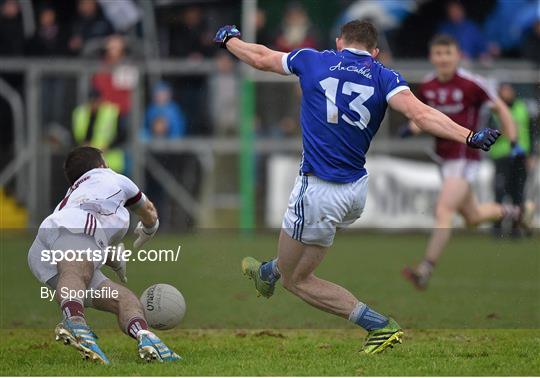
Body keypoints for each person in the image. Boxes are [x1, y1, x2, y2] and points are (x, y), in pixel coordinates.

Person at [214, 21, 501, 354]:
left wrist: (230, 42)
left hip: (318, 189)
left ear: (339, 43)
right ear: (375, 51)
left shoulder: (313, 59)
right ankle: (268, 271)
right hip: (354, 192)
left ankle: (377, 325)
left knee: (297, 280)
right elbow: (421, 115)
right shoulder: (384, 76)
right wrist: (469, 135)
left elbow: (262, 57)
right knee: (299, 265)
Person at [400, 35, 533, 290]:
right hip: (443, 159)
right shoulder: (428, 86)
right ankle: (517, 211)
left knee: (444, 211)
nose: (443, 58)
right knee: (472, 217)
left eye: (447, 53)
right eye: (438, 54)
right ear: (432, 57)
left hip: (464, 157)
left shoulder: (473, 84)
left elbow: (502, 109)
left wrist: (514, 141)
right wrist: (411, 129)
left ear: (458, 55)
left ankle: (425, 269)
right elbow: (424, 116)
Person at [27, 146, 180, 363]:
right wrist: (149, 228)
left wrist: (108, 256)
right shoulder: (112, 177)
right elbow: (149, 210)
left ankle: (145, 336)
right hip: (76, 226)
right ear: (101, 165)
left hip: (44, 251)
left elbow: (75, 243)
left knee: (124, 299)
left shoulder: (76, 192)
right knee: (76, 271)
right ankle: (75, 321)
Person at [490, 83, 531, 237]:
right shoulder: (495, 110)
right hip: (502, 156)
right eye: (504, 90)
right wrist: (502, 129)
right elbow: (491, 131)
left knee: (518, 193)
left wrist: (531, 154)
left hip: (520, 157)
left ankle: (516, 228)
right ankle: (497, 227)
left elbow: (530, 133)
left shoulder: (522, 108)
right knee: (500, 191)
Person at [72, 88, 125, 173]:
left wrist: (108, 146)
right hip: (87, 163)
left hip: (109, 162)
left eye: (95, 101)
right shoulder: (80, 113)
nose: (94, 105)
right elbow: (75, 135)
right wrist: (83, 144)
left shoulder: (112, 112)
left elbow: (122, 135)